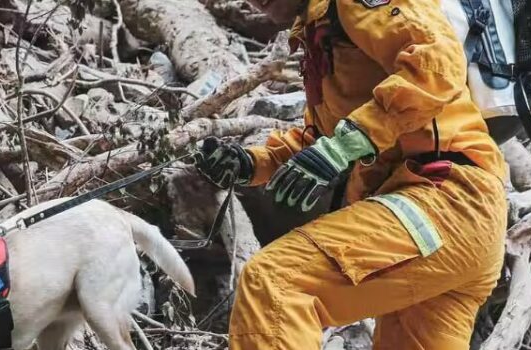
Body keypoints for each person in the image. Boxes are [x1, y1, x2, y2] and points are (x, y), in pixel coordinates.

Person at [195, 0, 508, 348]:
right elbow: (326, 138)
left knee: (275, 282)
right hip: (454, 230)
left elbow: (435, 63)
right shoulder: (324, 31)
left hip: (444, 199)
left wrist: (347, 144)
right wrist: (252, 163)